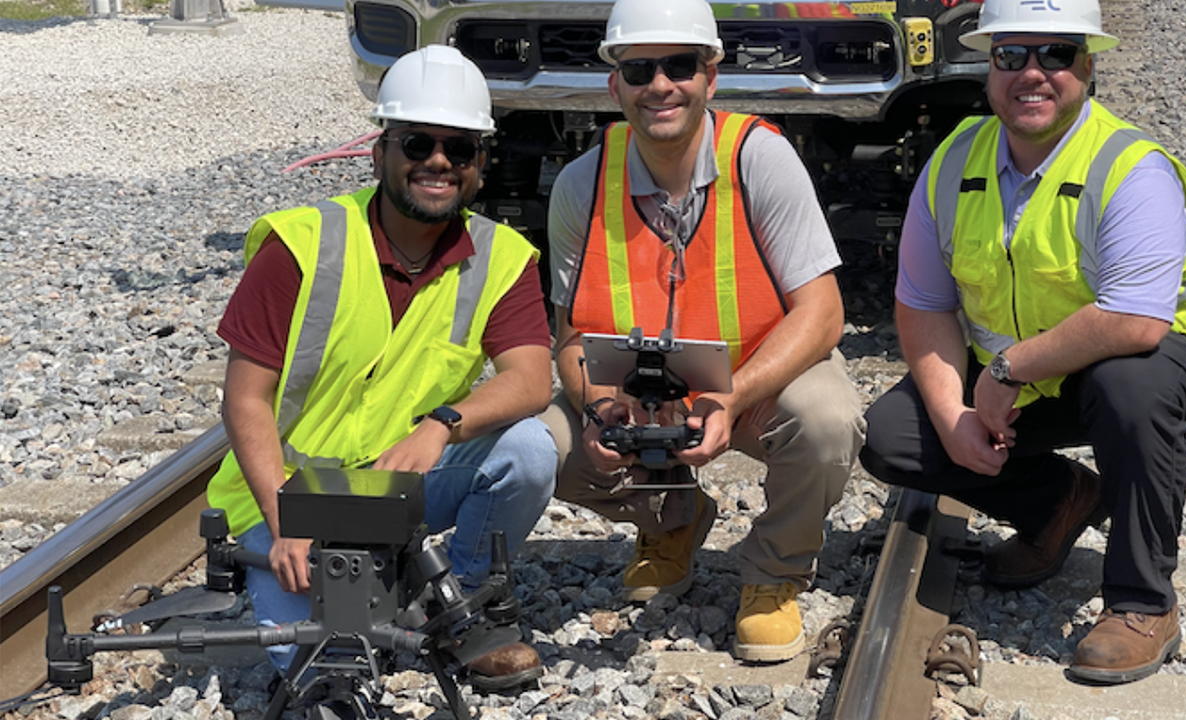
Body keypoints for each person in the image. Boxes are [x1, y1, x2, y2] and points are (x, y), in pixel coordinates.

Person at [857, 0, 1186, 685]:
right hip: (1024, 375)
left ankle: (1144, 604)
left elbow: (1136, 321)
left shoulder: (1130, 165)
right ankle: (1058, 503)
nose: (1033, 72)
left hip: (1145, 359)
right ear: (988, 68)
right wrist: (953, 416)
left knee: (1129, 390)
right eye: (1011, 55)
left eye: (1055, 54)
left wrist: (1004, 370)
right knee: (894, 433)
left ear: (1086, 66)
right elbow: (924, 303)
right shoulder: (952, 161)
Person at [205, 45, 557, 691]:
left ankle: (461, 610)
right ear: (381, 152)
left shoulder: (501, 256)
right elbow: (246, 400)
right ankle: (361, 601)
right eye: (418, 143)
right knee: (322, 669)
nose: (438, 162)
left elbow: (533, 381)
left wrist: (441, 425)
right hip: (288, 495)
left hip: (400, 485)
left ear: (481, 163)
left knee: (530, 448)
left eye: (460, 148)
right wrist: (287, 523)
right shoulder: (300, 245)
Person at [539, 0, 866, 663]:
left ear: (710, 76)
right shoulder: (581, 183)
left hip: (756, 385)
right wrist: (599, 406)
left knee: (829, 418)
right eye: (639, 70)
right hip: (647, 398)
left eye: (679, 65)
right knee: (538, 443)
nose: (660, 85)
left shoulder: (760, 159)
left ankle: (774, 574)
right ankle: (673, 522)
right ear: (615, 86)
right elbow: (569, 338)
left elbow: (823, 312)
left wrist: (731, 396)